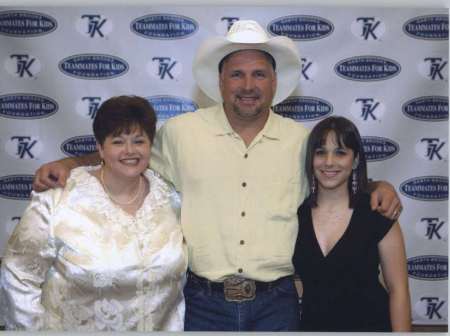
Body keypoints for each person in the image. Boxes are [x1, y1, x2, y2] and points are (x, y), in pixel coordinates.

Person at [31, 21, 402, 331]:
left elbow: (334, 179)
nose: (247, 85)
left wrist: (378, 186)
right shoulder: (181, 133)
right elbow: (126, 158)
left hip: (278, 306)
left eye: (259, 74)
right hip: (200, 304)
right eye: (236, 74)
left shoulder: (300, 141)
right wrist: (69, 164)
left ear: (275, 82)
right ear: (220, 81)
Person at [0, 96, 187, 331]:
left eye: (139, 141)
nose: (130, 151)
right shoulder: (59, 198)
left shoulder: (171, 198)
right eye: (118, 142)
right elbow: (19, 274)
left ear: (150, 146)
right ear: (100, 147)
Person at [293, 116, 411, 332]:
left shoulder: (378, 213)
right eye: (320, 152)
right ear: (311, 159)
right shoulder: (295, 215)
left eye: (340, 152)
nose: (329, 162)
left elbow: (399, 290)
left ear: (355, 160)